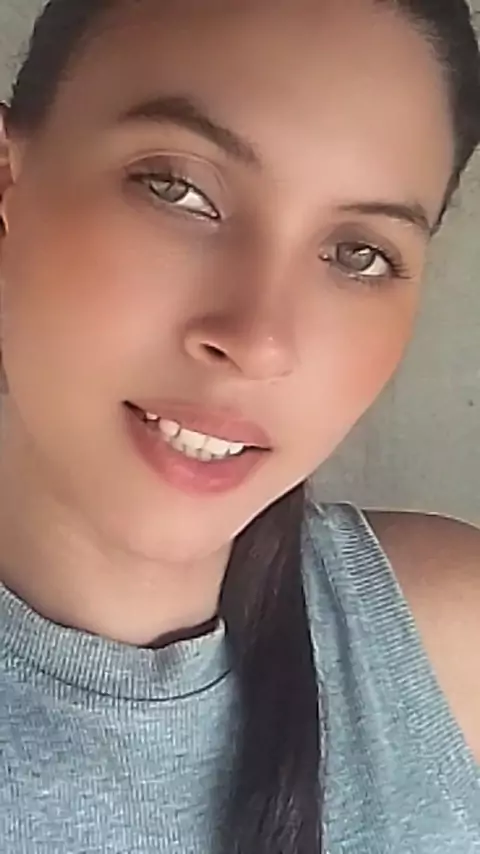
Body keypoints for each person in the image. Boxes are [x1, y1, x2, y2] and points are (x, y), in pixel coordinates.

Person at [0, 0, 479, 851]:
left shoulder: (449, 645)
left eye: (358, 253)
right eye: (179, 190)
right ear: (8, 180)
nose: (258, 341)